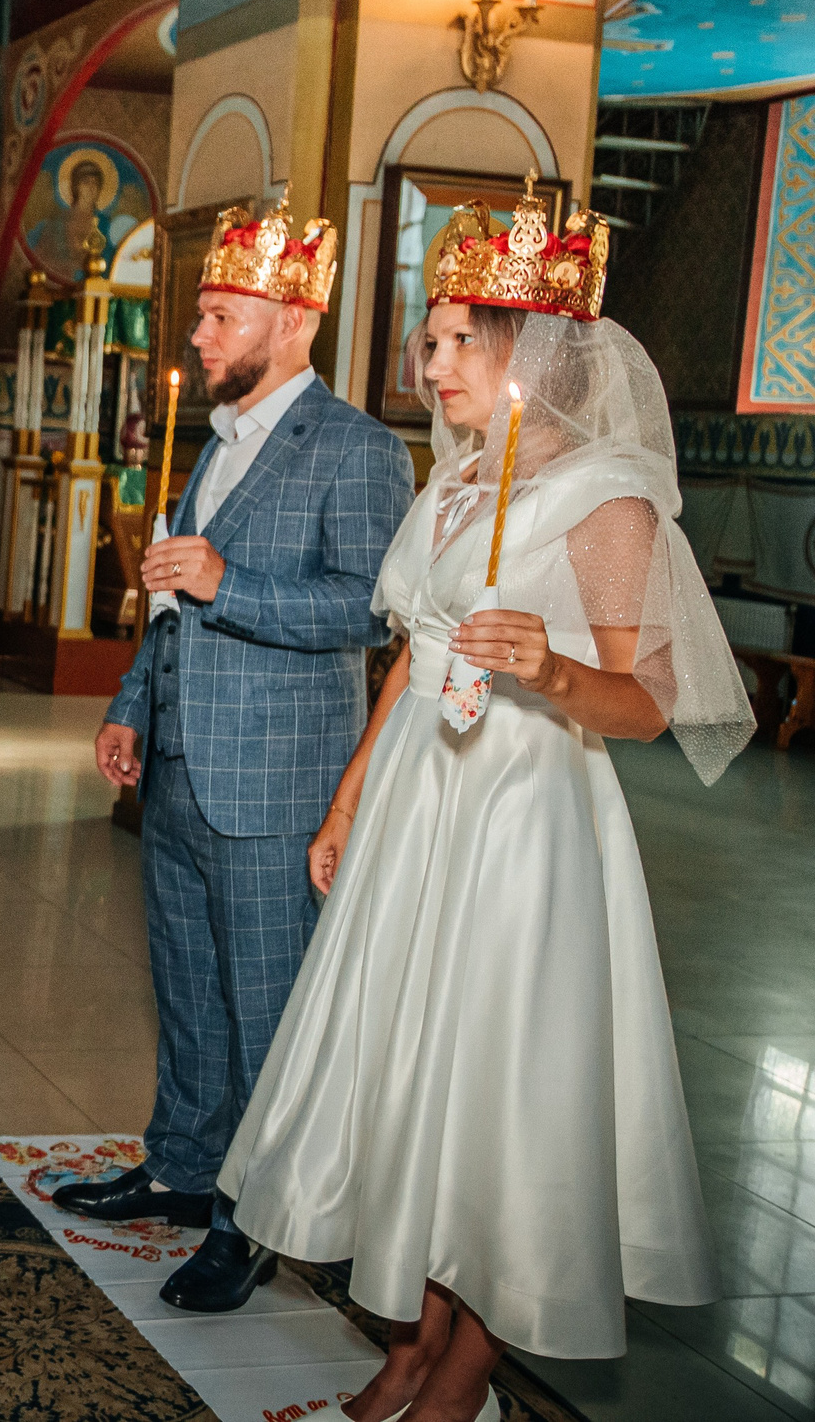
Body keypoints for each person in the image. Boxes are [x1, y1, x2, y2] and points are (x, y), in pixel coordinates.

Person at [219, 192, 739, 1420]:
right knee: (414, 1070)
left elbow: (651, 699)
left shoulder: (605, 499)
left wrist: (552, 669)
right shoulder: (452, 482)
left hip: (521, 820)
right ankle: (410, 1333)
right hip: (418, 802)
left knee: (500, 1084)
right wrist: (347, 802)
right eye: (429, 340)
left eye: (458, 340)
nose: (431, 363)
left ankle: (464, 1370)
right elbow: (410, 658)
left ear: (534, 353)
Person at [62, 200, 414, 1313]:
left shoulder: (355, 450)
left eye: (222, 315)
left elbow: (368, 611)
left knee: (265, 1010)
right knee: (188, 992)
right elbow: (171, 598)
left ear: (295, 319)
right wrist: (131, 704)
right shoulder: (211, 445)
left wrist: (231, 583)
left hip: (273, 788)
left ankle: (252, 1218)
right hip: (177, 770)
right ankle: (179, 1165)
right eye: (201, 315)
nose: (199, 336)